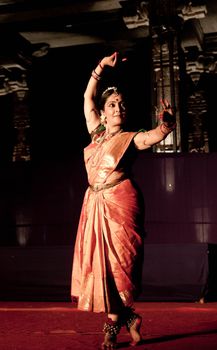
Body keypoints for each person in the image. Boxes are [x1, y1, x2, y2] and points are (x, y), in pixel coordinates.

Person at [71, 51, 176, 349]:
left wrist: (166, 125)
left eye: (121, 104)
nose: (118, 107)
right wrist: (101, 66)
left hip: (121, 201)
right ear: (103, 113)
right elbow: (87, 97)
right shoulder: (96, 133)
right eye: (112, 104)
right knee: (101, 266)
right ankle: (127, 320)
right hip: (94, 204)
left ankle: (111, 327)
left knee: (120, 267)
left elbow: (152, 137)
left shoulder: (130, 138)